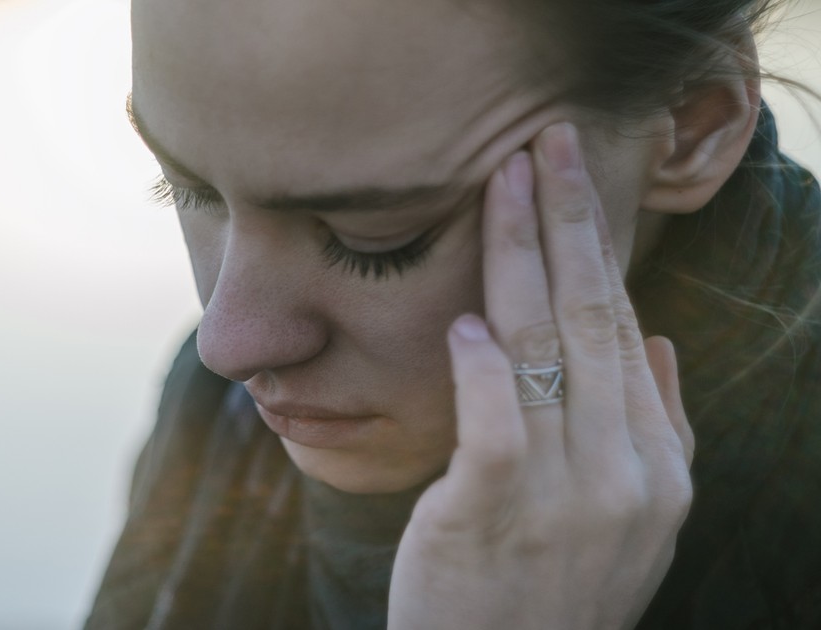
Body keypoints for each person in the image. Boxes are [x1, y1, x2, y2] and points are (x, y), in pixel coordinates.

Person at [86, 0, 821, 627]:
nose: (227, 344)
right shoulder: (219, 421)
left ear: (692, 127)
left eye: (375, 239)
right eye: (186, 189)